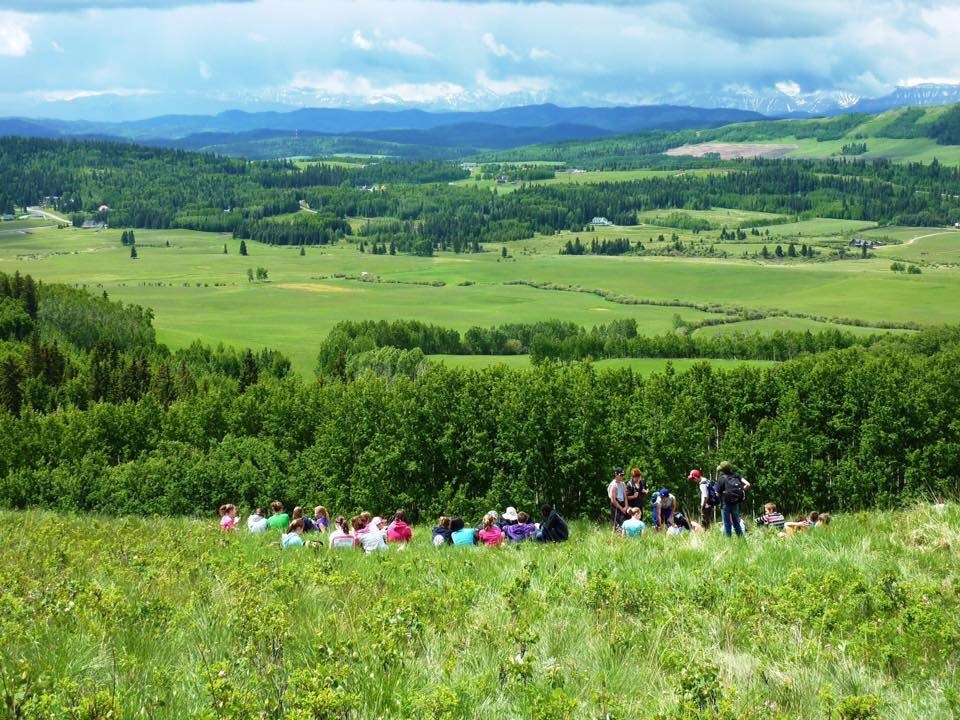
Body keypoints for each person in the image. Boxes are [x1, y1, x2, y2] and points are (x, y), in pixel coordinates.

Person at [715, 461, 750, 538]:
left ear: (722, 470)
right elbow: (748, 484)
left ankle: (729, 543)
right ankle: (741, 541)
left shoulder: (721, 479)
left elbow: (717, 493)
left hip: (725, 503)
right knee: (736, 523)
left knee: (727, 524)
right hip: (735, 502)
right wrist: (742, 490)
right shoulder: (737, 476)